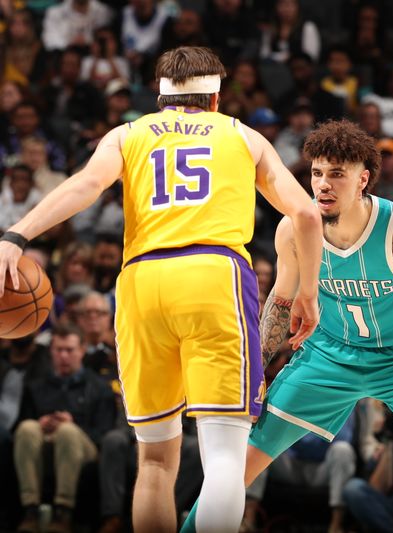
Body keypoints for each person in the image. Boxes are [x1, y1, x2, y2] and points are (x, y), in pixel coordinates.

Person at [0, 46, 323, 533]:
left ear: (160, 97)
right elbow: (305, 214)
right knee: (223, 461)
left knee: (153, 463)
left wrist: (15, 236)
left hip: (141, 285)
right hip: (214, 278)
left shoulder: (127, 134)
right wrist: (308, 294)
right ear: (215, 99)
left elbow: (85, 187)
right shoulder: (243, 136)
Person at [182, 119, 393, 533]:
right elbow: (280, 304)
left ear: (363, 180)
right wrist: (255, 373)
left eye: (337, 174)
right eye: (317, 173)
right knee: (237, 467)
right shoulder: (293, 229)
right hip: (329, 356)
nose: (323, 184)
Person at [14, 325, 116, 532]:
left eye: (69, 350)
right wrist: (41, 423)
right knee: (27, 428)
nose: (63, 356)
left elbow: (104, 434)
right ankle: (30, 510)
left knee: (67, 432)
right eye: (58, 350)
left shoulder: (98, 388)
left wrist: (73, 426)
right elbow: (19, 426)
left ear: (82, 350)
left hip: (83, 448)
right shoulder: (36, 385)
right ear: (51, 350)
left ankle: (63, 511)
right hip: (42, 444)